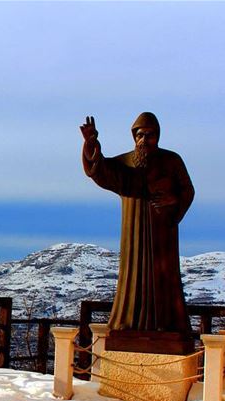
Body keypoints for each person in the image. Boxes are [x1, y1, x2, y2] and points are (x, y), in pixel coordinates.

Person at [80, 112, 194, 337]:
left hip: (162, 233)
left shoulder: (172, 161)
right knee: (133, 279)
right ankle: (129, 323)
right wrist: (91, 145)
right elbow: (101, 171)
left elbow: (187, 190)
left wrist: (174, 200)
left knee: (163, 277)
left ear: (157, 136)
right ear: (134, 136)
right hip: (134, 233)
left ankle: (167, 326)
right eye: (140, 135)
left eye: (149, 135)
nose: (144, 140)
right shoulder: (126, 163)